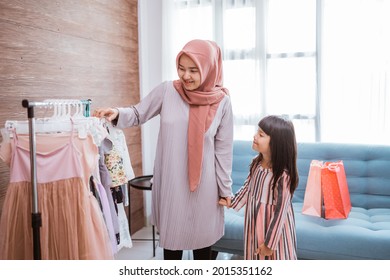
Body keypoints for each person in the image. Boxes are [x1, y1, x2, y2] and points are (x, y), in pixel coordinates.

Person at [93, 39, 234, 260]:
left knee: (203, 249)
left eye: (194, 70)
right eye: (181, 68)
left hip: (206, 187)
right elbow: (139, 113)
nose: (185, 75)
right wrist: (117, 113)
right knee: (172, 249)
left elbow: (223, 152)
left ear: (208, 69)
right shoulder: (168, 91)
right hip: (172, 183)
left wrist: (225, 190)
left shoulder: (222, 102)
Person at [219, 115, 298, 260]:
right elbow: (248, 187)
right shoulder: (256, 163)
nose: (255, 136)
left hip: (273, 230)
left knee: (275, 257)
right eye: (257, 132)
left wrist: (269, 244)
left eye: (261, 135)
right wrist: (232, 201)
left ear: (276, 144)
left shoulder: (282, 176)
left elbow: (281, 212)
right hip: (254, 222)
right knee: (255, 255)